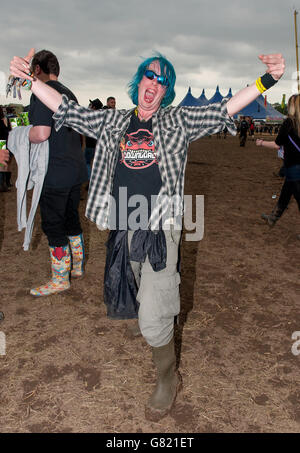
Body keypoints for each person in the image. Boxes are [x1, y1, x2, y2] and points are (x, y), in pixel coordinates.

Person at [10, 49, 284, 420]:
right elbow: (65, 108)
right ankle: (162, 331)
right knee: (143, 304)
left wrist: (268, 80)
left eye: (162, 81)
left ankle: (167, 378)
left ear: (166, 92)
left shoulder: (178, 121)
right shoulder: (113, 122)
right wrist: (31, 82)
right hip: (124, 229)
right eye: (149, 76)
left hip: (161, 228)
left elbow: (226, 108)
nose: (154, 84)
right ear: (138, 82)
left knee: (153, 315)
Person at [12, 49, 88, 296]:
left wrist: (18, 134)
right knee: (71, 220)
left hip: (54, 172)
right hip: (75, 169)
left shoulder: (40, 93)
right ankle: (76, 267)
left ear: (36, 70)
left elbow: (41, 133)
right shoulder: (70, 94)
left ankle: (60, 278)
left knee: (53, 225)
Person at [256, 94, 300, 227]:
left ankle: (273, 217)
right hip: (295, 167)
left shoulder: (289, 122)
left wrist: (261, 142)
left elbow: (277, 144)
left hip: (294, 166)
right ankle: (273, 217)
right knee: (286, 193)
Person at [84, 98, 103, 184]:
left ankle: (90, 179)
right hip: (96, 144)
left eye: (91, 105)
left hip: (90, 144)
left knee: (87, 162)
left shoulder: (91, 116)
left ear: (94, 107)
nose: (89, 106)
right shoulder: (100, 116)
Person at [0, 106, 12, 192]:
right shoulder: (2, 122)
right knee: (3, 166)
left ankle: (4, 183)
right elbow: (6, 132)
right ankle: (2, 184)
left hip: (2, 144)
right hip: (2, 144)